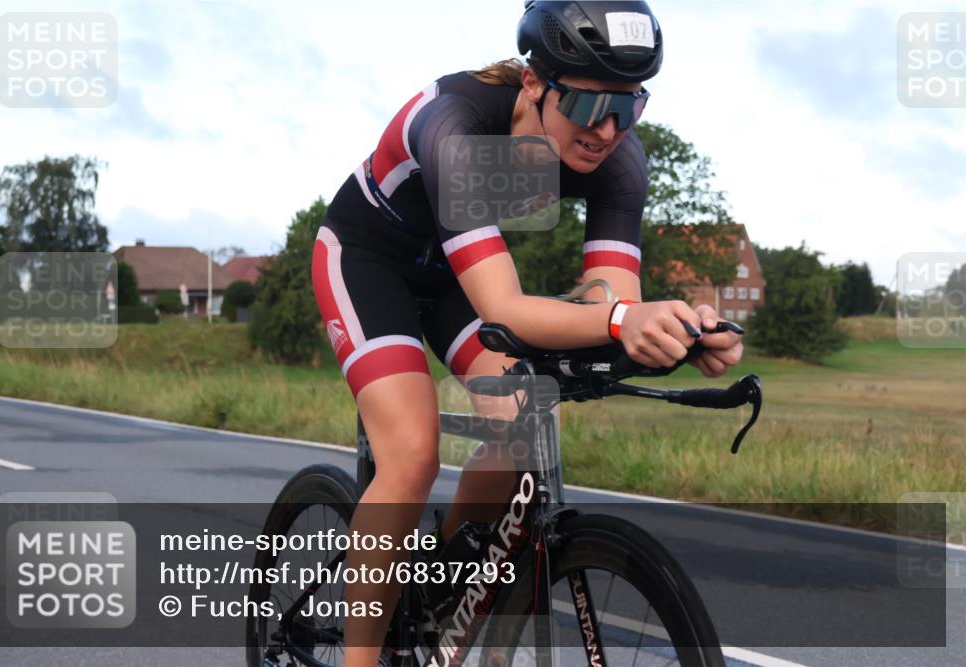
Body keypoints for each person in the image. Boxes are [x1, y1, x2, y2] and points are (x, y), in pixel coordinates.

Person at [310, 2, 743, 665]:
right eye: (587, 104)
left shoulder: (621, 162)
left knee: (522, 425)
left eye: (628, 108)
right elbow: (506, 308)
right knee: (412, 453)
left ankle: (444, 586)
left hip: (453, 277)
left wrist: (676, 332)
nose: (606, 130)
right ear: (535, 82)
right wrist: (622, 320)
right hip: (368, 261)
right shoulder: (455, 124)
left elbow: (610, 303)